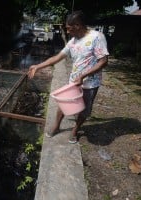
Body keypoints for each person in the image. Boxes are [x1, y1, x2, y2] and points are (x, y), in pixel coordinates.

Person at [27, 10, 109, 143]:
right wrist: (38, 66)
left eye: (69, 28)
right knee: (64, 105)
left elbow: (103, 61)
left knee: (84, 109)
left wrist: (84, 76)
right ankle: (56, 126)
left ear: (77, 25)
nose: (68, 31)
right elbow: (57, 57)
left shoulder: (97, 37)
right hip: (74, 81)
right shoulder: (73, 41)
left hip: (90, 83)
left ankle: (75, 130)